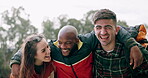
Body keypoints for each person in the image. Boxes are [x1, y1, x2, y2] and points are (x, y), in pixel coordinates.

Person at [10, 25, 145, 78]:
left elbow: (116, 29)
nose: (62, 46)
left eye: (68, 43)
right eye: (60, 43)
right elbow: (29, 48)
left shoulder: (87, 42)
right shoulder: (53, 49)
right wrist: (15, 62)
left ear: (76, 40)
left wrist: (132, 45)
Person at [92, 9, 148, 78]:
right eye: (98, 28)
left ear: (117, 30)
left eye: (108, 27)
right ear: (94, 30)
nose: (103, 32)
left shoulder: (130, 50)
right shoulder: (91, 47)